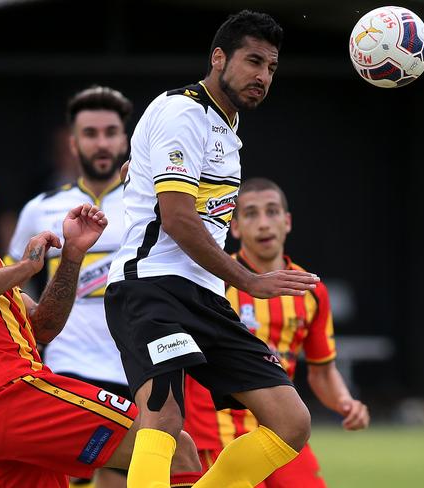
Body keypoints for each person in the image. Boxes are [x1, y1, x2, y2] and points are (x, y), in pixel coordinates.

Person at [0, 141, 201, 488]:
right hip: (6, 394)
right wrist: (25, 268)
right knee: (174, 447)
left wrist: (71, 257)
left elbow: (43, 327)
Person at [105, 10, 321, 488]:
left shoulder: (228, 129)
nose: (262, 76)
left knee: (291, 422)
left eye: (271, 68)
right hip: (151, 288)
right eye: (253, 61)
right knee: (163, 419)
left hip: (204, 297)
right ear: (218, 57)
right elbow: (179, 218)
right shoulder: (183, 110)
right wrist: (250, 280)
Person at [183, 177, 371, 487]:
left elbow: (322, 371)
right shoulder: (213, 283)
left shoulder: (310, 290)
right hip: (221, 433)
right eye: (251, 214)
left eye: (272, 212)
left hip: (284, 430)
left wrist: (344, 401)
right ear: (236, 227)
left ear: (287, 222)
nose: (264, 223)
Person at [8, 85, 133, 488]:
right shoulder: (40, 208)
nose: (102, 142)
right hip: (66, 366)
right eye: (91, 133)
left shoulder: (149, 206)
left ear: (125, 139)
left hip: (135, 367)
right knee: (65, 479)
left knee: (119, 478)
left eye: (111, 131)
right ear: (73, 142)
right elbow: (10, 287)